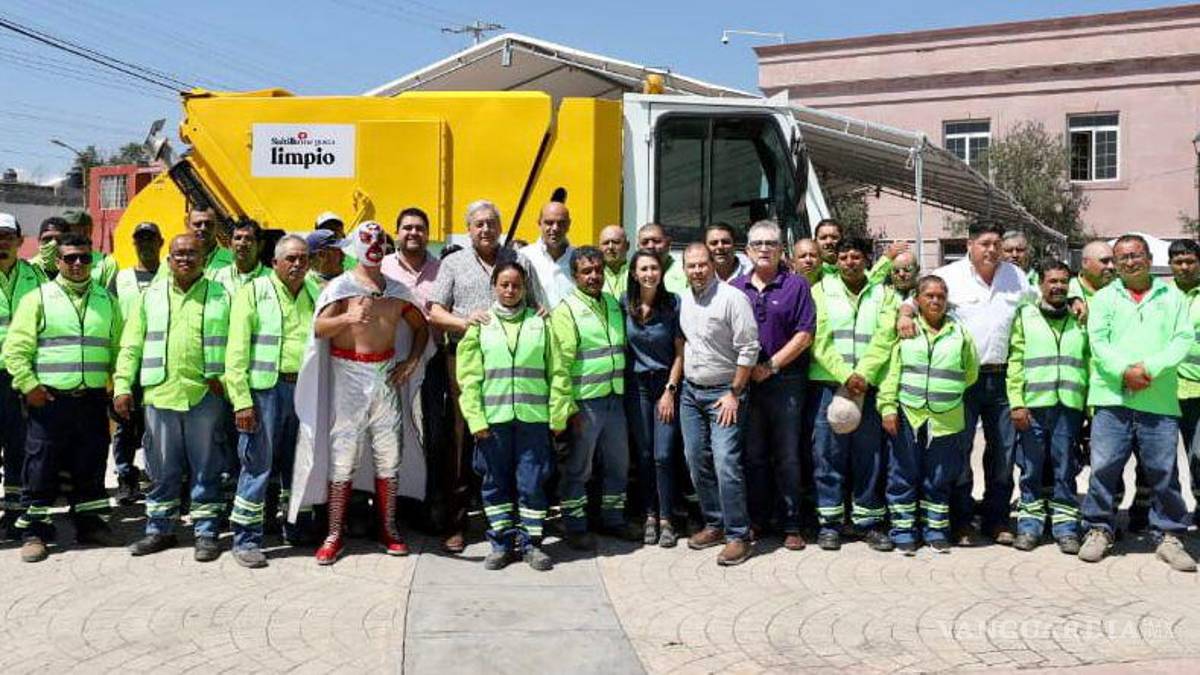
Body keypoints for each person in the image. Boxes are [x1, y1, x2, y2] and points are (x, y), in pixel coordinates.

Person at [288, 222, 429, 565]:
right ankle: (334, 533)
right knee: (343, 457)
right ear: (355, 246)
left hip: (385, 377)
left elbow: (420, 327)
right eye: (367, 239)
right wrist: (346, 318)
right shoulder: (340, 287)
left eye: (380, 239)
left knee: (389, 454)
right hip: (347, 376)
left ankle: (388, 527)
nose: (375, 245)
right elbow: (318, 328)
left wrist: (411, 361)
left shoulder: (396, 290)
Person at [903, 221, 1037, 545]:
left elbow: (1037, 303)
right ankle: (961, 521)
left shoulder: (1015, 277)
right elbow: (914, 299)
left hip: (1003, 378)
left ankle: (997, 519)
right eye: (985, 243)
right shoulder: (950, 276)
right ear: (969, 245)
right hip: (962, 381)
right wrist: (905, 314)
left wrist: (1075, 301)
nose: (992, 250)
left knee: (1003, 453)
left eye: (996, 244)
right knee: (960, 452)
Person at [2, 233, 124, 562]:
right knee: (41, 466)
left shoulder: (106, 300)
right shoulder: (39, 298)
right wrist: (29, 386)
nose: (78, 263)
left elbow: (119, 349)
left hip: (92, 399)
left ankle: (89, 524)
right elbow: (15, 350)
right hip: (49, 401)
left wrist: (120, 386)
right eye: (70, 258)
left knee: (90, 463)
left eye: (84, 257)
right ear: (58, 262)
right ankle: (35, 532)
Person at [1078, 234, 1195, 571]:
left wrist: (1149, 369)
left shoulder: (1171, 297)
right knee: (1104, 468)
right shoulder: (1104, 298)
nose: (1130, 262)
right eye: (1123, 257)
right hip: (1112, 398)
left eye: (1136, 255)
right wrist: (1124, 372)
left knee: (1164, 471)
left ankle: (1169, 535)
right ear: (1115, 263)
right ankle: (1099, 529)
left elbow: (1182, 339)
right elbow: (1098, 343)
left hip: (1158, 399)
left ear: (1149, 258)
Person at [114, 233, 231, 562]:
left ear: (204, 259)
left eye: (192, 253)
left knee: (207, 468)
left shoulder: (221, 295)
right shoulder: (150, 296)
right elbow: (131, 344)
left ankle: (206, 532)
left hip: (205, 395)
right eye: (178, 254)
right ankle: (160, 529)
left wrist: (228, 383)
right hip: (161, 394)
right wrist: (122, 385)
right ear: (168, 260)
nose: (185, 259)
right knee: (162, 469)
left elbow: (236, 344)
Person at [457, 261, 567, 570]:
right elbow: (468, 378)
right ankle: (501, 545)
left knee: (532, 483)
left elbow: (558, 371)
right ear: (494, 286)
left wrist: (558, 415)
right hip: (494, 422)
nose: (510, 290)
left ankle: (532, 544)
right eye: (504, 284)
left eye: (516, 285)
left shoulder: (540, 323)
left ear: (524, 288)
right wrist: (476, 420)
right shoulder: (480, 325)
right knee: (495, 484)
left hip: (534, 421)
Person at [223, 235, 320, 568]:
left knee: (299, 463)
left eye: (303, 258)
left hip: (303, 391)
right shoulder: (253, 292)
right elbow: (236, 351)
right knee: (257, 465)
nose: (298, 264)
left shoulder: (314, 292)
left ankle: (297, 527)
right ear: (275, 262)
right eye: (291, 258)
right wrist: (241, 401)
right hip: (264, 391)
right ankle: (246, 540)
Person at [429, 199, 513, 553]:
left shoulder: (516, 259)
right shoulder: (453, 263)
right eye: (479, 224)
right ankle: (456, 523)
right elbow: (434, 311)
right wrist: (464, 321)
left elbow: (535, 302)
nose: (486, 229)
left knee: (504, 437)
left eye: (491, 222)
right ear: (468, 229)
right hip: (463, 360)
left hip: (508, 363)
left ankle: (503, 522)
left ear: (500, 226)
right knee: (461, 438)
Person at [730, 220, 815, 551]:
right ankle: (757, 519)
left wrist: (771, 366)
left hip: (786, 383)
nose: (764, 249)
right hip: (747, 385)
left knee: (787, 455)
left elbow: (805, 334)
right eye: (758, 244)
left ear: (782, 250)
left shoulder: (797, 285)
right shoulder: (736, 288)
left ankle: (792, 524)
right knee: (753, 455)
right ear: (748, 250)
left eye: (771, 243)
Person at [880, 275, 979, 554]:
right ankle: (903, 532)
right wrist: (888, 407)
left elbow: (970, 373)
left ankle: (935, 531)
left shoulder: (960, 334)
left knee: (939, 477)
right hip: (908, 415)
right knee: (902, 474)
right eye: (929, 296)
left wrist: (944, 393)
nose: (935, 300)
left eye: (941, 296)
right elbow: (892, 373)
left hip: (946, 419)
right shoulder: (906, 330)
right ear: (918, 300)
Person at [807, 237, 895, 551]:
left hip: (868, 387)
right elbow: (819, 339)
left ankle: (867, 523)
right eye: (843, 257)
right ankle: (829, 524)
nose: (849, 262)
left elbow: (886, 336)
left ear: (867, 259)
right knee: (827, 455)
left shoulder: (884, 293)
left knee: (868, 456)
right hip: (830, 385)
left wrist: (864, 375)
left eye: (856, 256)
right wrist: (846, 375)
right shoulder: (820, 291)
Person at [550, 246, 638, 547]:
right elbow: (560, 366)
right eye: (586, 271)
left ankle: (612, 520)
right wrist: (565, 409)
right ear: (575, 276)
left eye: (598, 270)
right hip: (584, 404)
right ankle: (574, 525)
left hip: (614, 399)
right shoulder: (566, 311)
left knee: (618, 464)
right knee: (578, 468)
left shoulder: (612, 304)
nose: (594, 276)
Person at [678, 243, 759, 566]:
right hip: (690, 393)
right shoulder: (684, 299)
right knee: (695, 458)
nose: (697, 270)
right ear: (684, 269)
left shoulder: (732, 298)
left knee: (726, 462)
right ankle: (714, 523)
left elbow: (749, 347)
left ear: (712, 265)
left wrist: (735, 392)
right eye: (691, 265)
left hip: (725, 393)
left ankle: (738, 535)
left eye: (702, 264)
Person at [1006, 260, 1087, 554]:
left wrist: (1089, 406)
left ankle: (1066, 529)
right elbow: (1015, 361)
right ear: (1040, 284)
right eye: (1052, 281)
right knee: (1031, 469)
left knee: (1066, 469)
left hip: (1069, 406)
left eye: (1063, 282)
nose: (1058, 287)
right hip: (1033, 407)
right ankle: (1029, 527)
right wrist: (1017, 403)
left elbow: (1089, 360)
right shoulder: (1025, 315)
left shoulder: (1080, 317)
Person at [622, 250, 684, 547]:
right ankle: (649, 514)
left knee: (664, 454)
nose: (649, 274)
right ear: (634, 274)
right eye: (643, 269)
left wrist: (670, 390)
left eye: (654, 268)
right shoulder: (623, 304)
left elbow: (680, 353)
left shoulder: (673, 304)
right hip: (636, 388)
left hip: (664, 386)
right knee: (645, 455)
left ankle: (667, 518)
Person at [107, 221, 164, 504]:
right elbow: (109, 318)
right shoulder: (120, 279)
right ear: (134, 243)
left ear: (161, 243)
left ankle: (160, 480)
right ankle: (126, 480)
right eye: (140, 239)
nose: (145, 244)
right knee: (125, 427)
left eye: (150, 239)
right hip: (128, 363)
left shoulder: (169, 275)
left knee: (158, 426)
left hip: (160, 365)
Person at [0, 213, 44, 539]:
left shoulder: (36, 276)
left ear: (19, 241)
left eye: (7, 236)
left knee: (19, 446)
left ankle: (16, 511)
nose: (2, 243)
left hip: (20, 376)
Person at [1170, 239, 1200, 526]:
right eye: (1178, 262)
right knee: (1162, 459)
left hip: (1198, 391)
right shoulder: (1162, 296)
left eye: (1190, 261)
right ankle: (1169, 514)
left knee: (1199, 454)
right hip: (1166, 391)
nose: (1184, 267)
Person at [522, 202, 575, 310]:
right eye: (549, 223)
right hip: (536, 320)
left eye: (561, 223)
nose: (555, 228)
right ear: (539, 223)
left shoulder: (578, 258)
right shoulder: (524, 257)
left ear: (568, 225)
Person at [59, 209, 119, 288]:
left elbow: (109, 294)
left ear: (87, 232)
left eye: (69, 231)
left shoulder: (106, 263)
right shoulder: (53, 260)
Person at [212, 219, 270, 296]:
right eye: (238, 238)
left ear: (260, 245)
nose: (242, 243)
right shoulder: (218, 277)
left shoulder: (271, 278)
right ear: (229, 244)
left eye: (248, 238)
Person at [636, 223, 687, 293]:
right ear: (638, 247)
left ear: (668, 243)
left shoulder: (684, 272)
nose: (650, 246)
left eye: (656, 241)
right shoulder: (632, 273)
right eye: (645, 242)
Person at [187, 207, 234, 273]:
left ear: (217, 226)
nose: (203, 228)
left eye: (208, 224)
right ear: (187, 225)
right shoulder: (176, 261)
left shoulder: (233, 260)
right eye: (197, 224)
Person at [599, 224, 630, 298]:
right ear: (599, 247)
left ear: (627, 246)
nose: (610, 247)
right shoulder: (594, 275)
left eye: (616, 242)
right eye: (606, 243)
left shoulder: (636, 272)